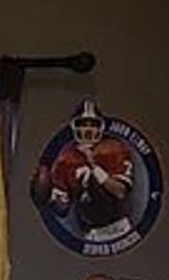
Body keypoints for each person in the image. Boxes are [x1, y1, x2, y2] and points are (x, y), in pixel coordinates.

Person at [33, 99, 135, 233]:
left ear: (101, 127)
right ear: (74, 126)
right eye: (82, 124)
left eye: (93, 124)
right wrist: (45, 194)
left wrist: (94, 167)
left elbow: (120, 192)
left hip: (118, 227)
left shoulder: (114, 149)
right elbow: (62, 209)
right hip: (89, 232)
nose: (88, 130)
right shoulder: (66, 158)